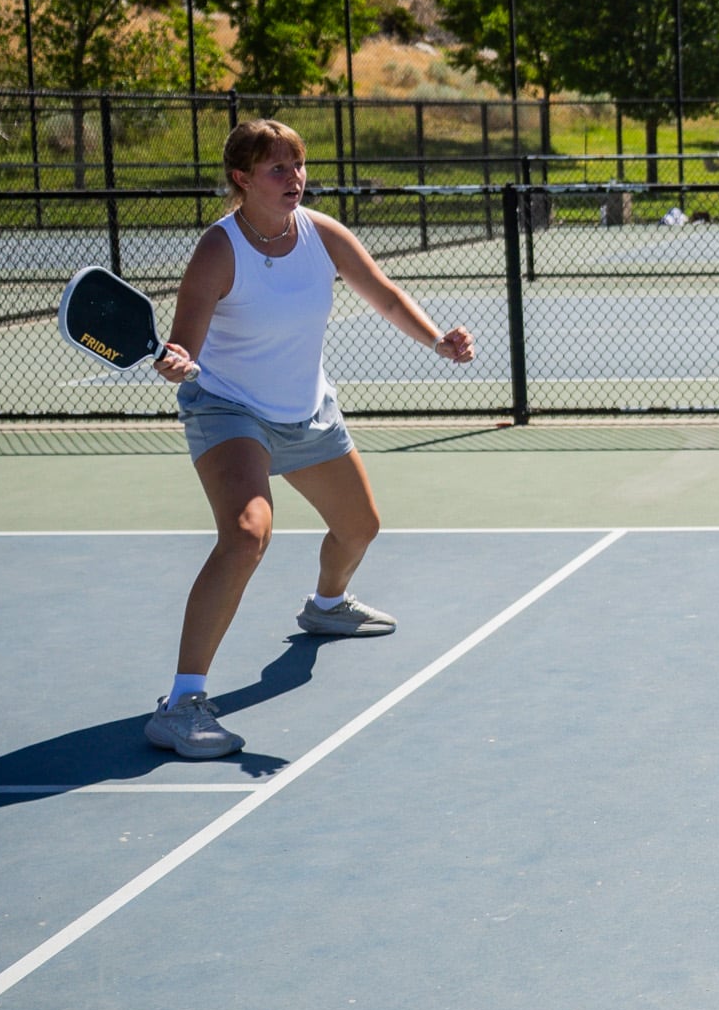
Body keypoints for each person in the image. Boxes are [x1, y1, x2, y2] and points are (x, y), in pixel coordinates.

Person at [148, 120, 475, 760]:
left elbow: (383, 296)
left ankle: (327, 605)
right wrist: (177, 362)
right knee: (247, 532)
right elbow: (184, 342)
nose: (294, 179)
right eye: (278, 169)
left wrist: (438, 340)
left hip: (306, 410)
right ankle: (182, 703)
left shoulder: (322, 235)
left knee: (360, 527)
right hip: (229, 408)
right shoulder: (219, 250)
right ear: (242, 179)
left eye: (298, 166)